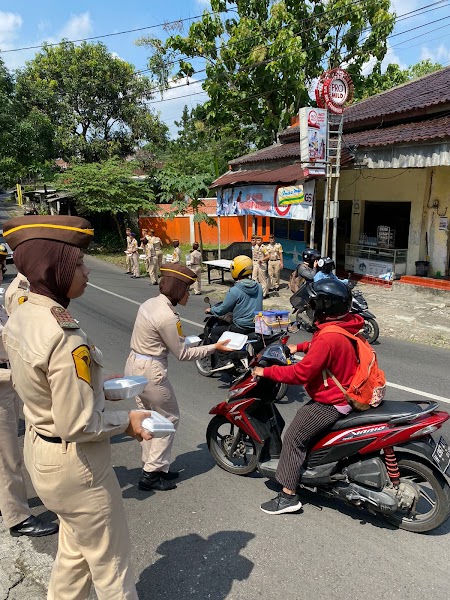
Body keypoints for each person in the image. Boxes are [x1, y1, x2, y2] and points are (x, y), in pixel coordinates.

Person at [2, 215, 152, 599]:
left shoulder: (23, 313)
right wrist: (129, 422)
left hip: (41, 451)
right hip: (77, 464)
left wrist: (105, 387)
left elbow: (49, 389)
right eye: (79, 263)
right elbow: (78, 423)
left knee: (74, 553)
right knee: (112, 568)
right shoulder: (64, 337)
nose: (87, 272)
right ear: (55, 266)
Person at [253, 279, 363, 515]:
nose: (310, 309)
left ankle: (288, 497)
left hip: (332, 402)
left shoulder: (326, 337)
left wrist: (267, 371)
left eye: (313, 304)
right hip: (346, 392)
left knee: (293, 437)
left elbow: (300, 373)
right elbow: (323, 345)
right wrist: (299, 347)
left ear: (325, 306)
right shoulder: (344, 325)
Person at [124, 263, 232, 492]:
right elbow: (183, 353)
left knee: (148, 418)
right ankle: (151, 473)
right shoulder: (168, 317)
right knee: (169, 419)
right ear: (177, 289)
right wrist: (215, 347)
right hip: (150, 371)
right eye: (187, 289)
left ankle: (155, 467)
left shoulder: (150, 303)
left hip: (133, 365)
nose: (189, 294)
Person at [0, 303, 58, 538]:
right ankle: (17, 517)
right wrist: (14, 375)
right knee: (8, 458)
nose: (3, 271)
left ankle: (5, 502)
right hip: (3, 380)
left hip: (6, 381)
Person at [206, 255, 263, 336]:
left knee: (214, 332)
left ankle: (221, 349)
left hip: (241, 327)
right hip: (257, 325)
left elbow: (222, 309)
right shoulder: (259, 287)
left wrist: (211, 310)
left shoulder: (234, 290)